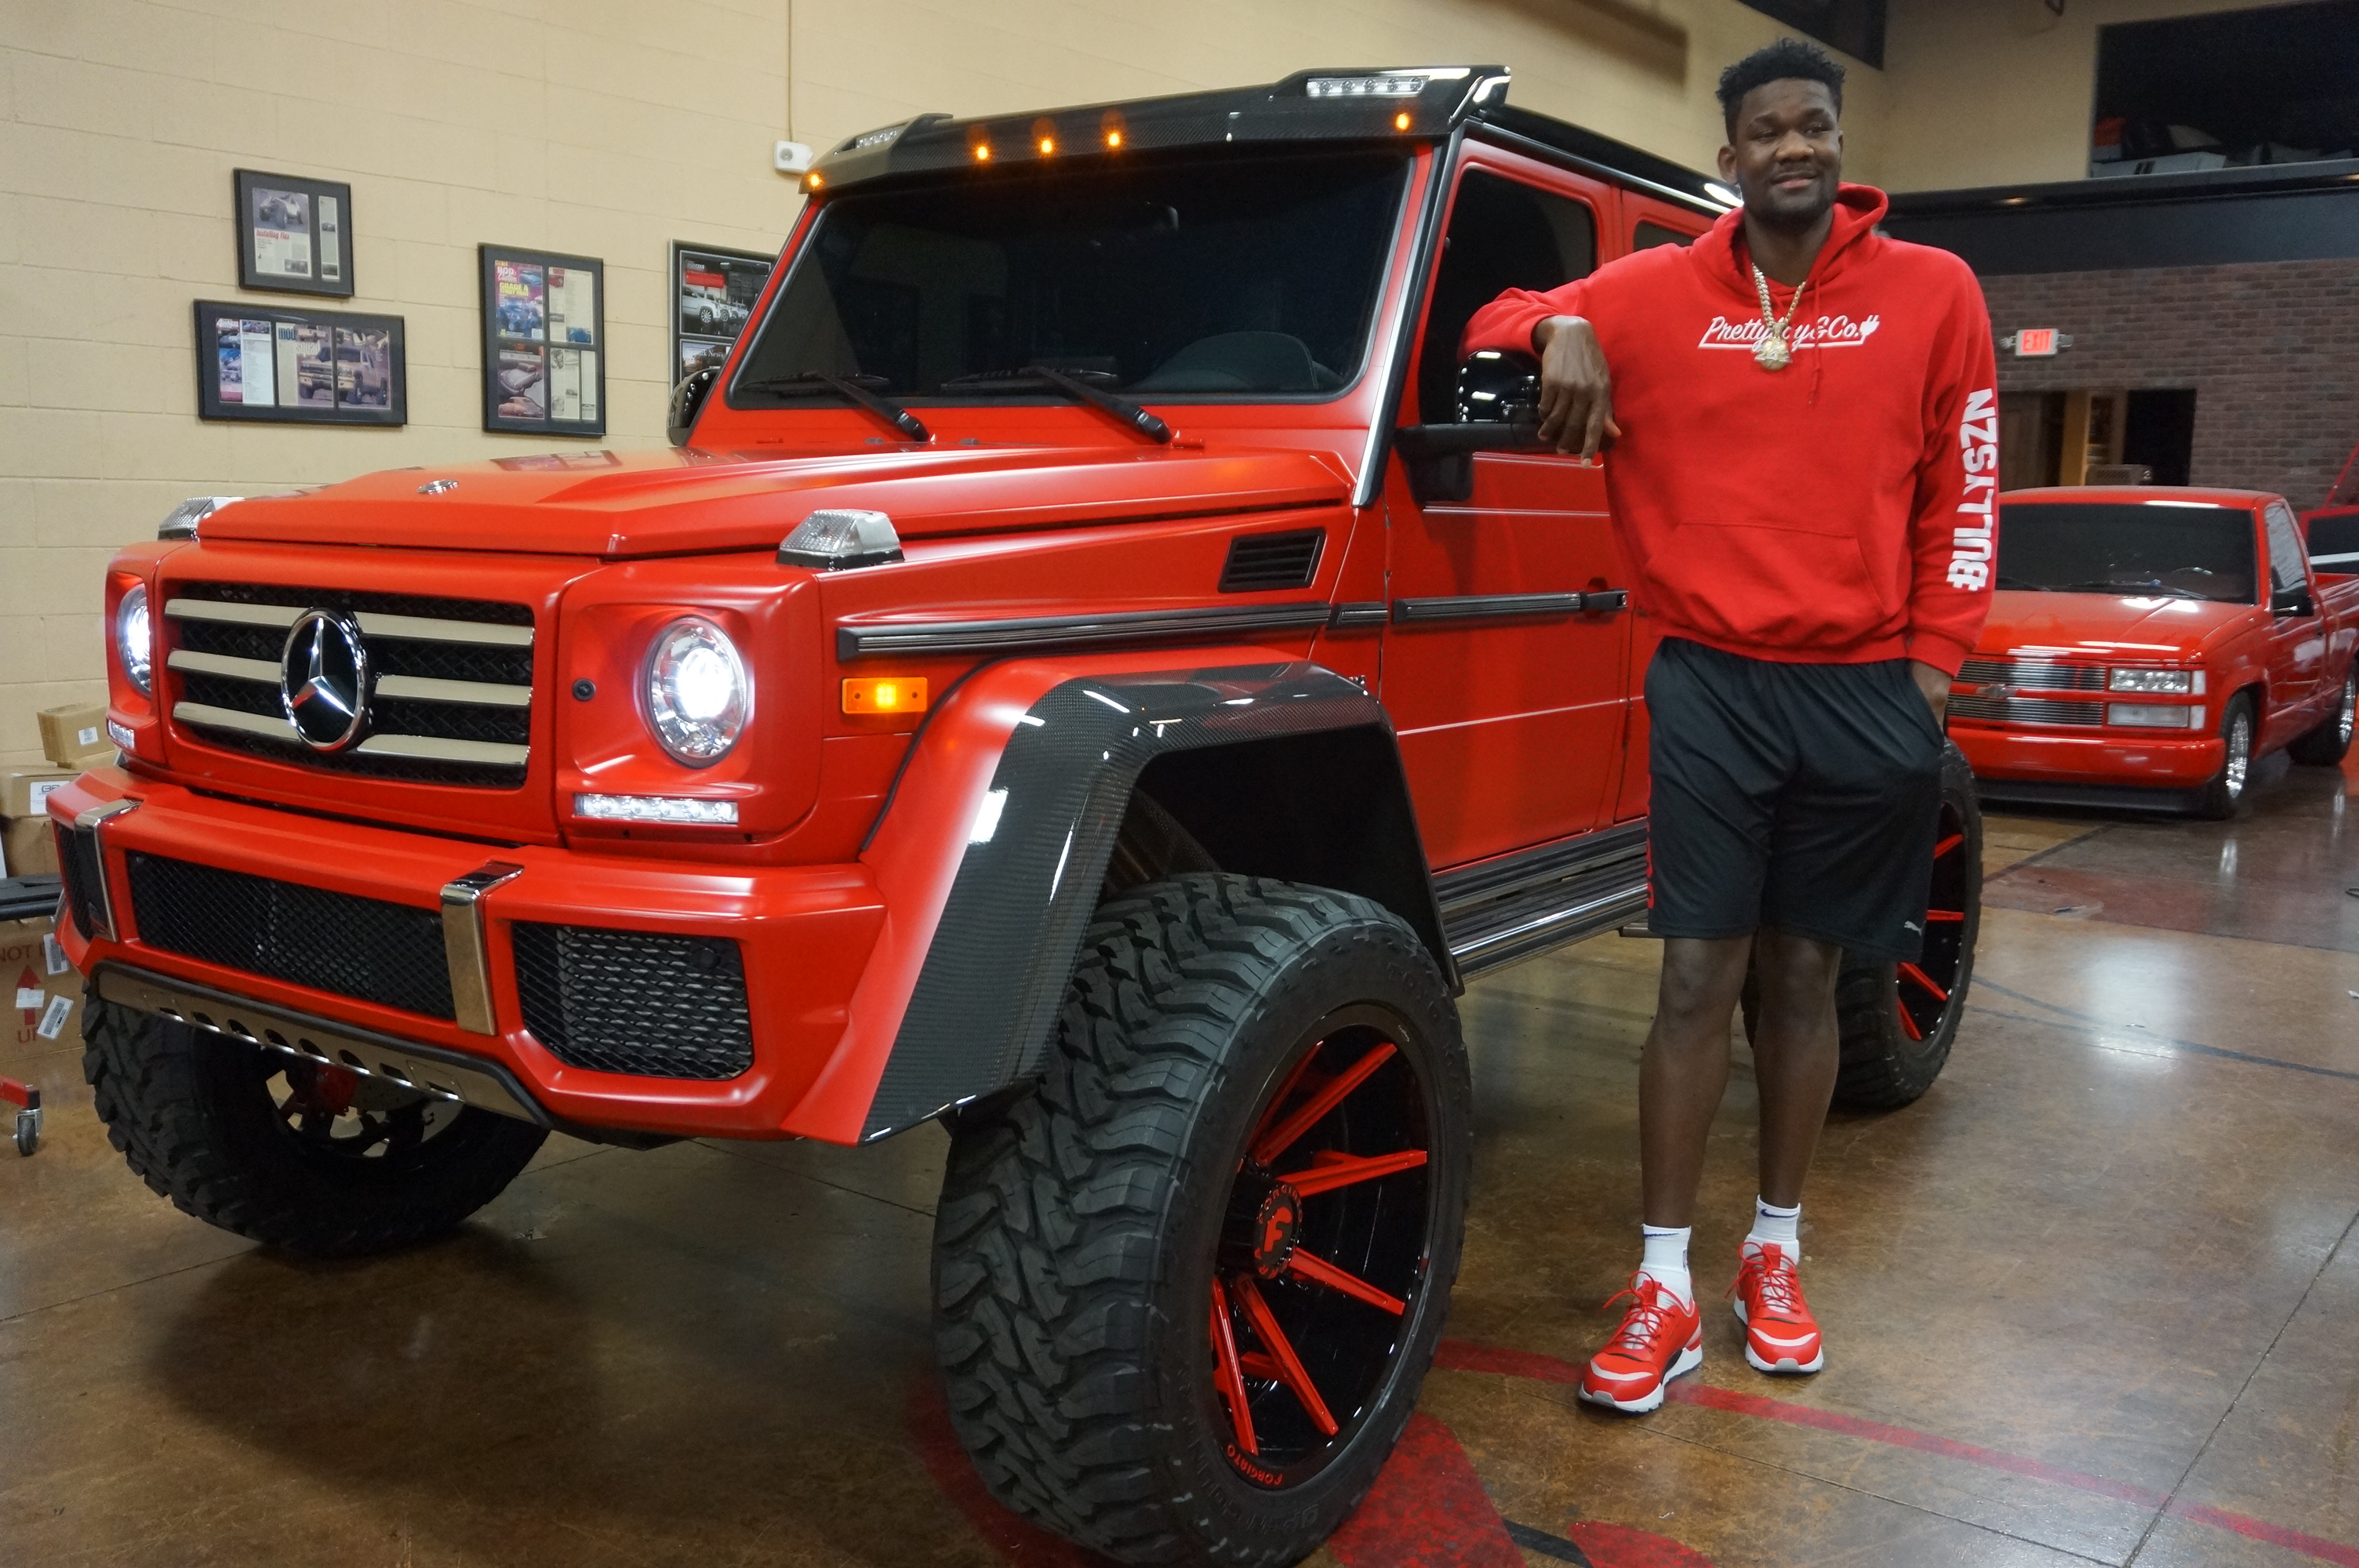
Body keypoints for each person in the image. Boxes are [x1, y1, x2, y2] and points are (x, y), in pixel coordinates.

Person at [1461, 36, 1997, 1414]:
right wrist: (1559, 325)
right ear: (1730, 160)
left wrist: (1930, 671)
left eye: (1814, 126)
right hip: (1708, 679)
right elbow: (1489, 316)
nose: (1794, 150)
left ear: (1841, 142)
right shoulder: (1649, 293)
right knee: (1695, 980)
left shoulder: (1934, 292)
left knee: (1807, 981)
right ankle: (1661, 1283)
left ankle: (1775, 1249)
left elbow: (1968, 487)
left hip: (1869, 684)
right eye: (1767, 132)